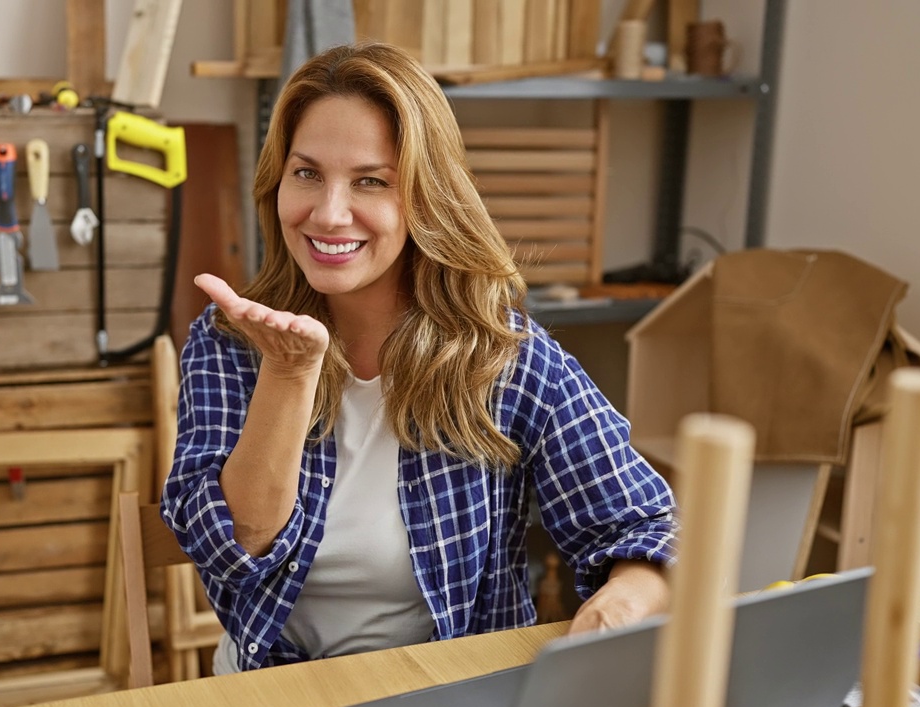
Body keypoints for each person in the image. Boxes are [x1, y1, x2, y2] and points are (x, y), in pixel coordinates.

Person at [161, 42, 677, 674]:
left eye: (371, 181)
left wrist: (615, 610)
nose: (328, 213)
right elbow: (236, 549)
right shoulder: (228, 343)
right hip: (274, 688)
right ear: (276, 182)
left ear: (425, 198)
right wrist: (290, 371)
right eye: (307, 173)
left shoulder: (501, 356)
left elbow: (646, 532)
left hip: (450, 692)